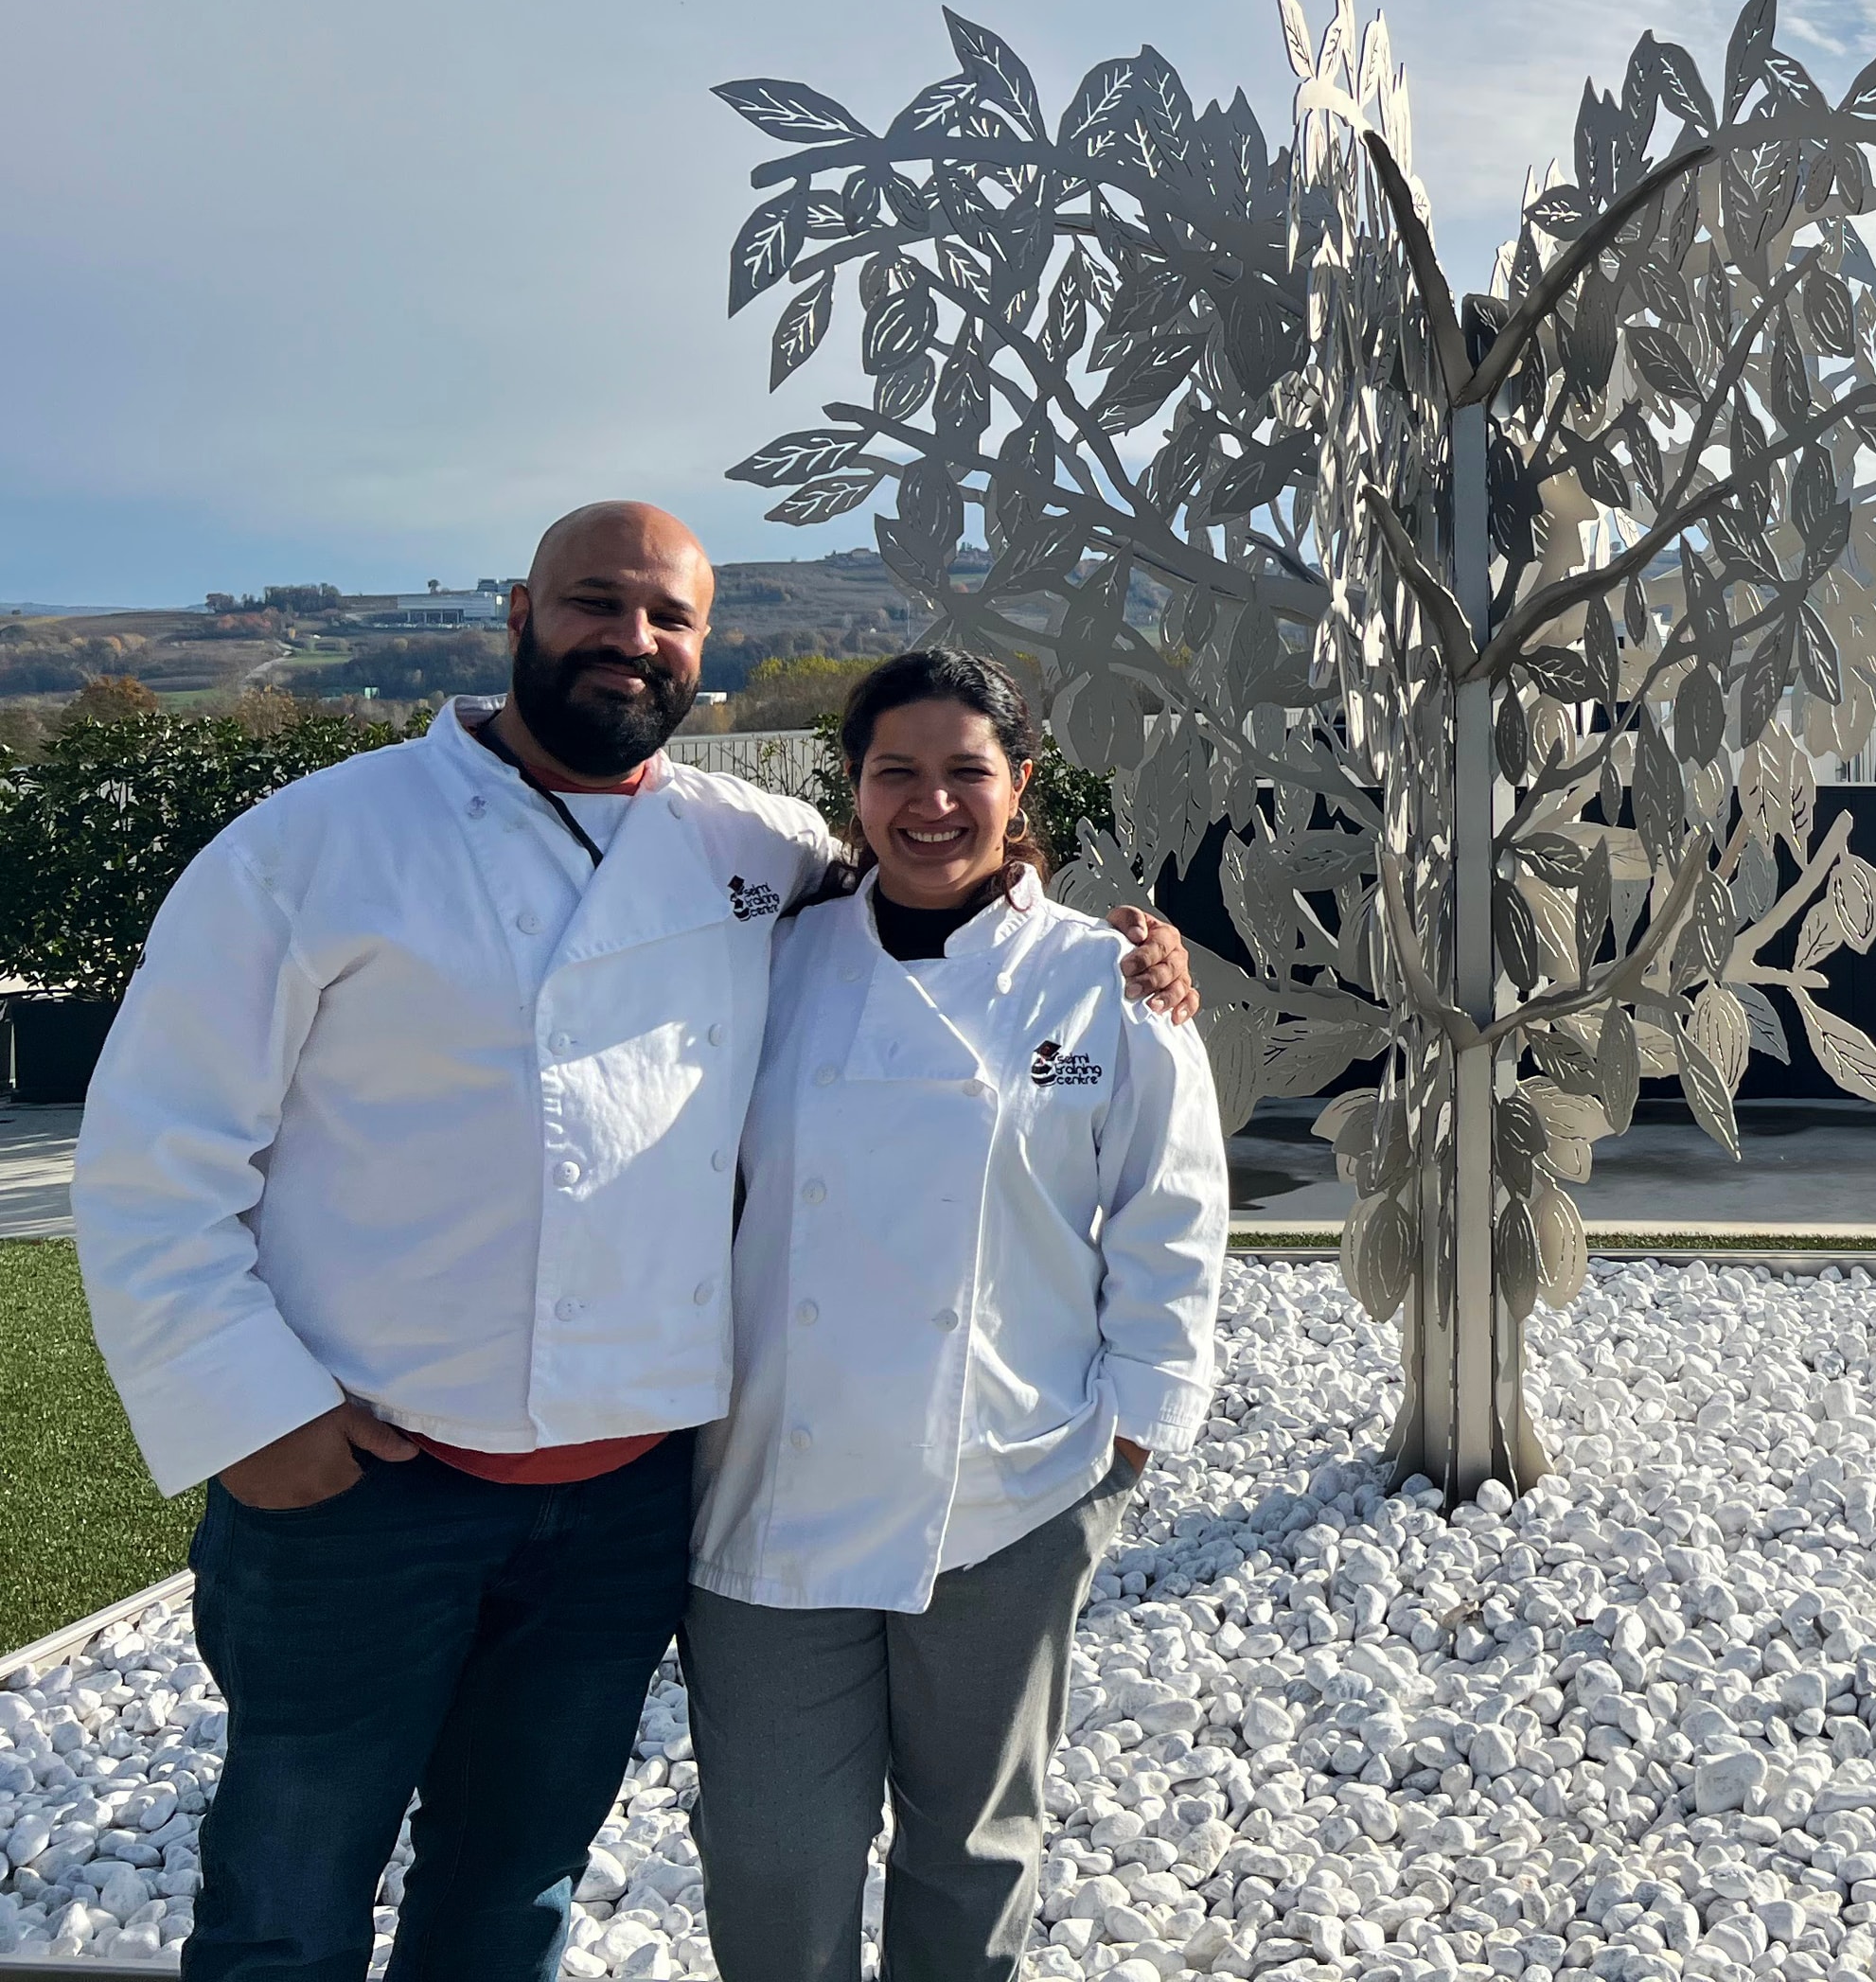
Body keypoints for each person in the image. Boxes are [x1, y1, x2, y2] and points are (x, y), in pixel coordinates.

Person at [72, 503, 1197, 1982]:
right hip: (365, 1489)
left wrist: (1123, 957)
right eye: (597, 604)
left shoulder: (752, 846)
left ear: (703, 649)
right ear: (520, 613)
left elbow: (934, 906)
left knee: (512, 1885)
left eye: (669, 618)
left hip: (620, 1505)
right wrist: (251, 1413)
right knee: (289, 1885)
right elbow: (155, 1151)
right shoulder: (317, 843)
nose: (633, 640)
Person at [684, 647, 1227, 1981]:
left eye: (965, 772)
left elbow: (1172, 1220)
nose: (932, 804)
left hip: (1012, 1484)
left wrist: (1129, 1445)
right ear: (853, 792)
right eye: (896, 773)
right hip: (771, 1494)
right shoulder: (770, 961)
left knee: (973, 1843)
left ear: (1020, 782)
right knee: (768, 1850)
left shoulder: (1105, 983)